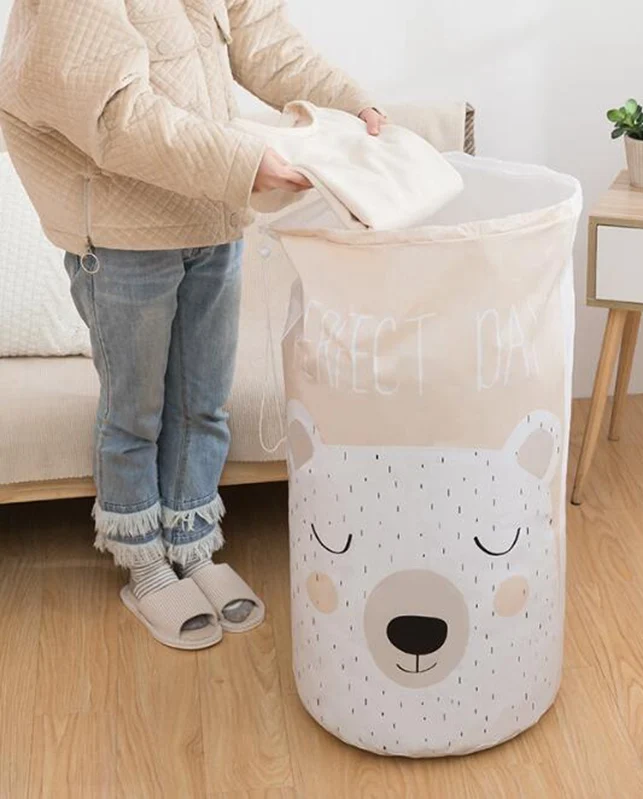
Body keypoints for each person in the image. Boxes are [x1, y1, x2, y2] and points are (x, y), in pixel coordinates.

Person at [0, 0, 384, 649]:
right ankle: (144, 562)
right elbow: (115, 114)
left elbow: (260, 33)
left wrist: (350, 103)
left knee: (202, 404)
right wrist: (245, 162)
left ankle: (192, 543)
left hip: (213, 218)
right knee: (134, 412)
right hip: (125, 238)